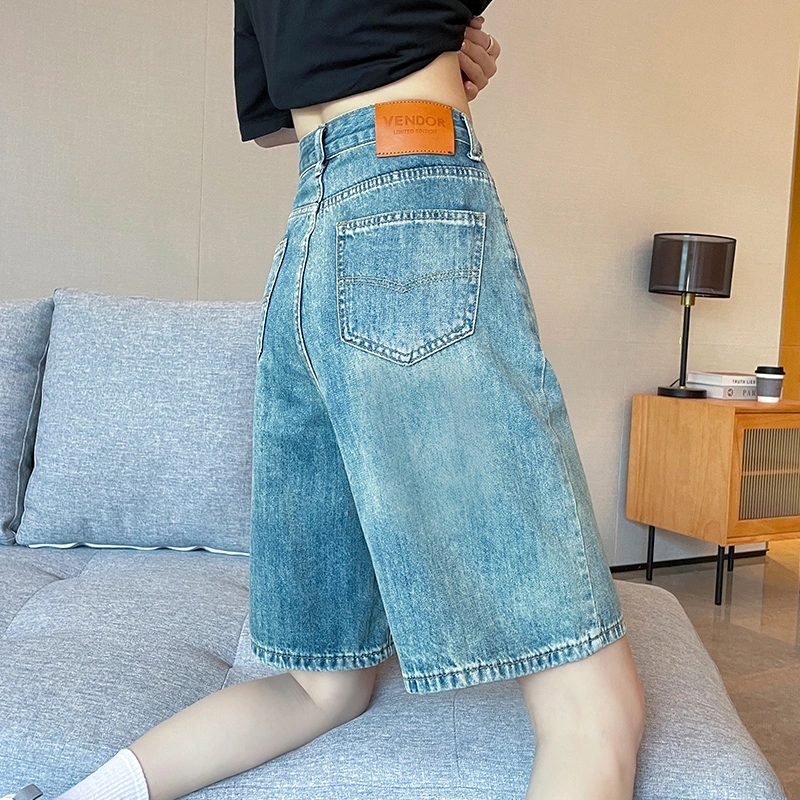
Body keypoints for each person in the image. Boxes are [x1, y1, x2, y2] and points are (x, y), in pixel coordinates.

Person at [5, 5, 646, 800]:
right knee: (596, 713)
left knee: (323, 686)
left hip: (309, 240)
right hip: (413, 200)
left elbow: (276, 115)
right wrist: (445, 47)